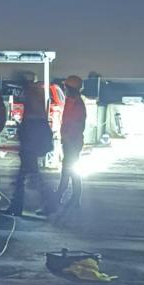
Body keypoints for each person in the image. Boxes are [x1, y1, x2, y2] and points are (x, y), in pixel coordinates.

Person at [2, 76, 56, 217]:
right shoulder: (36, 96)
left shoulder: (32, 98)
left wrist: (24, 138)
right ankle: (19, 205)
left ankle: (46, 204)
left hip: (29, 146)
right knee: (30, 177)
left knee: (30, 177)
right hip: (32, 145)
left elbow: (31, 124)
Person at [56, 75, 86, 208]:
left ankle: (59, 196)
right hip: (70, 141)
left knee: (69, 170)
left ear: (71, 88)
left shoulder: (77, 104)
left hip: (72, 142)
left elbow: (76, 125)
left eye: (66, 87)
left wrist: (68, 140)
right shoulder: (71, 101)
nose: (64, 89)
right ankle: (73, 198)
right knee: (70, 170)